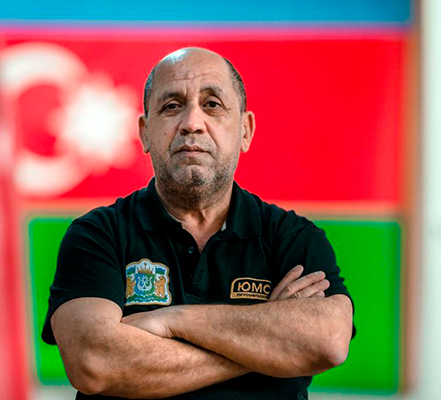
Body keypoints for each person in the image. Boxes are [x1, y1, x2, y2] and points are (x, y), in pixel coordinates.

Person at [42, 47, 354, 400]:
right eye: (172, 106)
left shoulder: (294, 238)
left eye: (212, 104)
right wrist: (270, 341)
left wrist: (172, 320)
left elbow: (328, 342)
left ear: (245, 130)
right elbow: (94, 363)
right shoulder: (97, 234)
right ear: (145, 133)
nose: (192, 122)